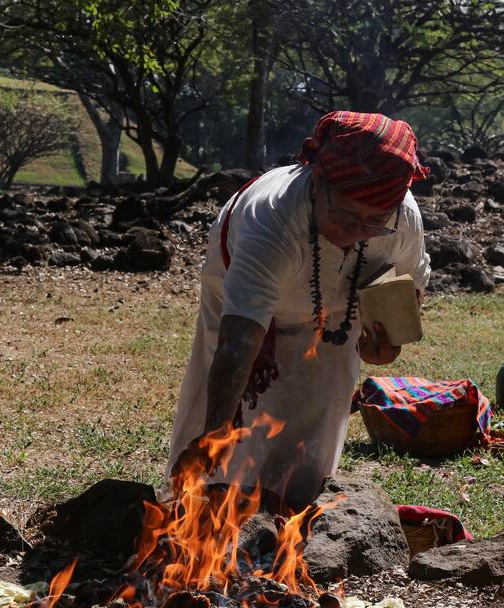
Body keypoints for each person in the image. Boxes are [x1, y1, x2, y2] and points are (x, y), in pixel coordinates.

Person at [166, 111, 431, 512]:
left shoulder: (401, 217)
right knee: (227, 427)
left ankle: (291, 515)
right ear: (317, 179)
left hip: (336, 313)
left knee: (315, 424)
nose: (356, 231)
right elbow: (240, 338)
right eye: (344, 214)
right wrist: (215, 430)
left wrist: (388, 342)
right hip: (248, 305)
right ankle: (202, 512)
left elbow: (410, 286)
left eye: (373, 223)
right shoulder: (271, 219)